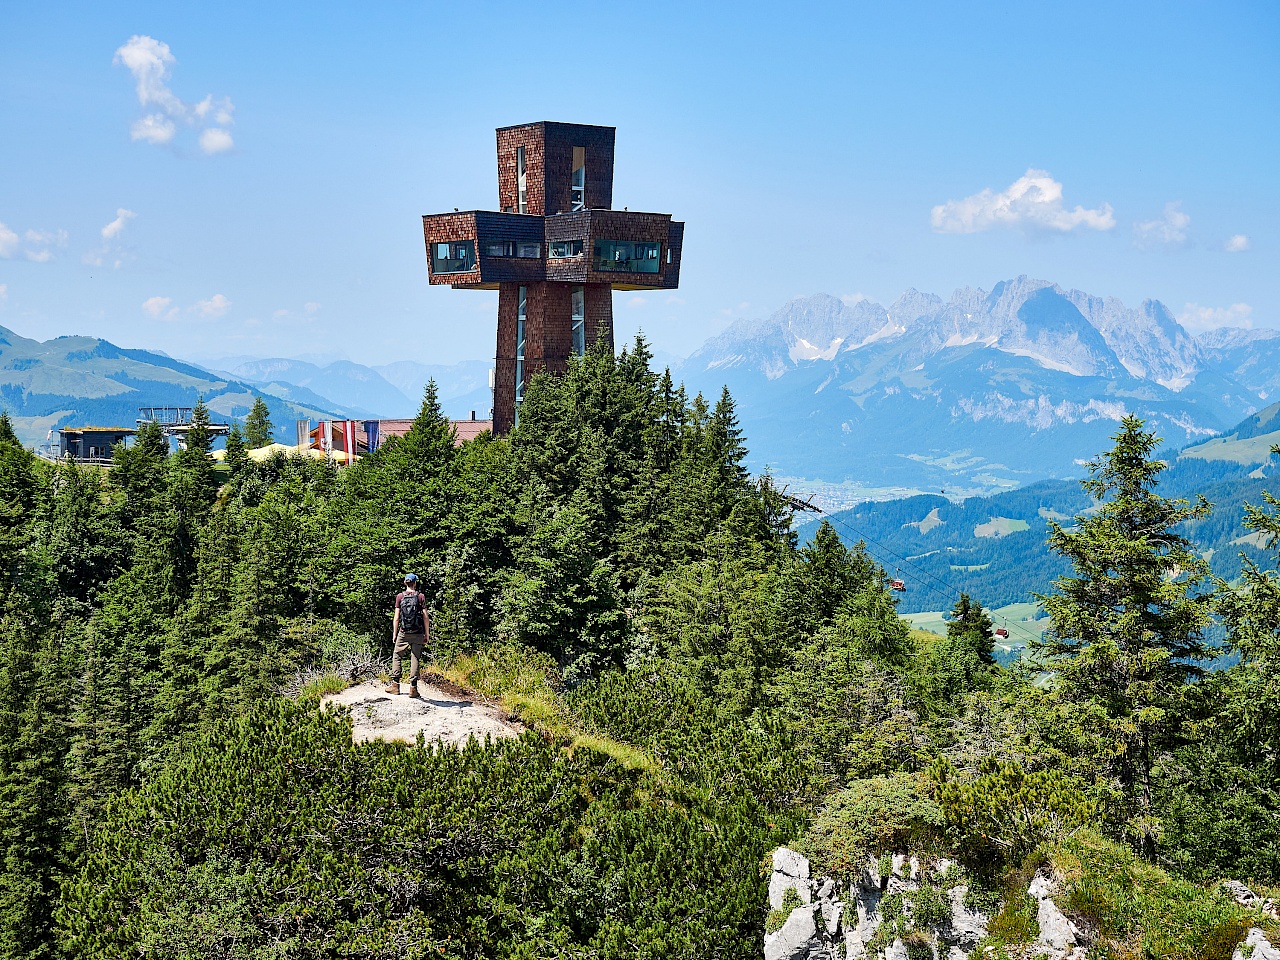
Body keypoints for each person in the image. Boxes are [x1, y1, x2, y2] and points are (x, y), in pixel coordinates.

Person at [386, 573, 430, 698]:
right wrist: (427, 634)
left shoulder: (400, 597)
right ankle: (413, 688)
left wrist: (395, 634)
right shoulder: (420, 596)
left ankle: (395, 685)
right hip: (418, 632)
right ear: (415, 583)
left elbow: (396, 618)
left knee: (397, 655)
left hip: (404, 632)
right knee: (415, 657)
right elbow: (425, 617)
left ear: (405, 583)